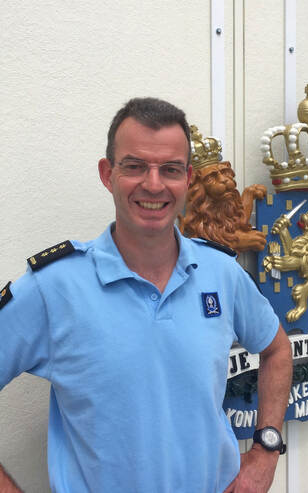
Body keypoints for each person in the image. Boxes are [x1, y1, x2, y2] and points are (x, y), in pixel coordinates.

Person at [0, 97, 292, 493]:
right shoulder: (54, 287)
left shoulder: (221, 272)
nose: (154, 185)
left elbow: (277, 350)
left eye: (170, 169)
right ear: (108, 174)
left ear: (188, 179)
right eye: (135, 166)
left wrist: (266, 450)